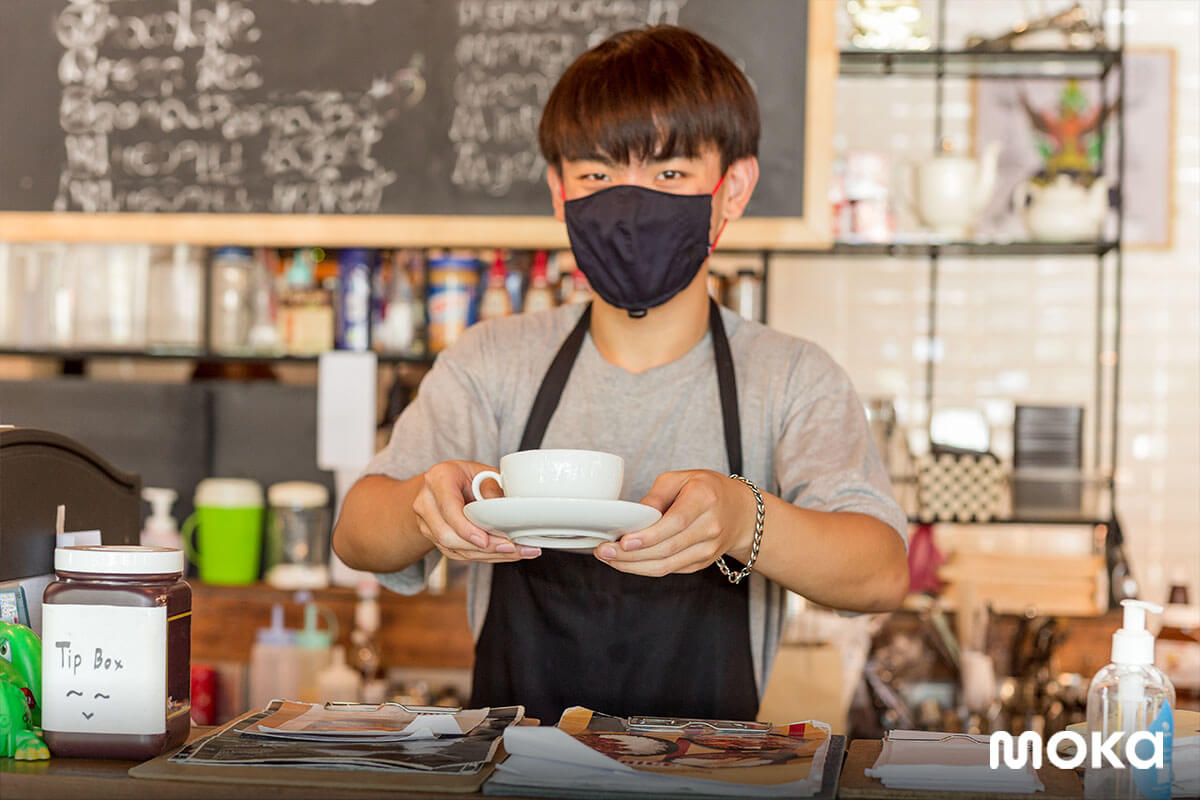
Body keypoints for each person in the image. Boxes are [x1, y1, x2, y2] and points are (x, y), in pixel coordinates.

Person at [333, 25, 908, 724]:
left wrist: (740, 520)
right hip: (512, 776)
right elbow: (358, 534)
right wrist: (426, 501)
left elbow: (880, 572)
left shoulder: (791, 378)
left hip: (708, 779)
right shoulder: (493, 361)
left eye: (669, 175)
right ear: (559, 192)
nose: (631, 205)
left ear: (733, 189)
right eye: (598, 176)